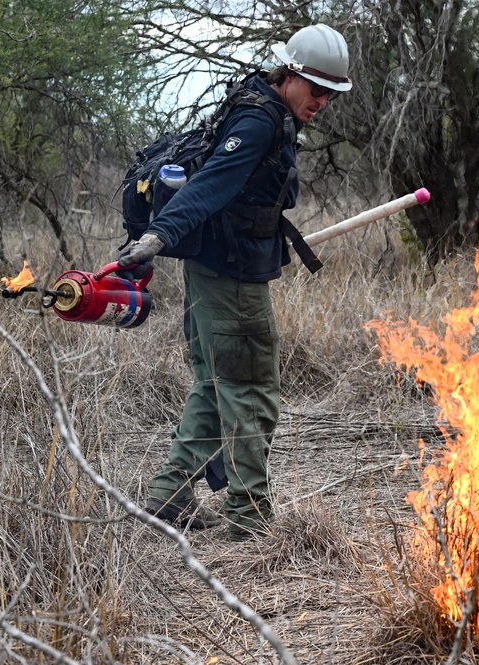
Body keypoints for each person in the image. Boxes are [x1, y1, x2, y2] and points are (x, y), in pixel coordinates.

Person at [118, 23, 353, 541]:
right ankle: (248, 514)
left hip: (218, 264)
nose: (322, 101)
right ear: (289, 75)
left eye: (332, 94)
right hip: (231, 273)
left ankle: (169, 494)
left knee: (216, 382)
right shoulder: (258, 120)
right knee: (251, 389)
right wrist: (160, 235)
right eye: (316, 89)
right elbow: (212, 183)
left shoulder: (258, 103)